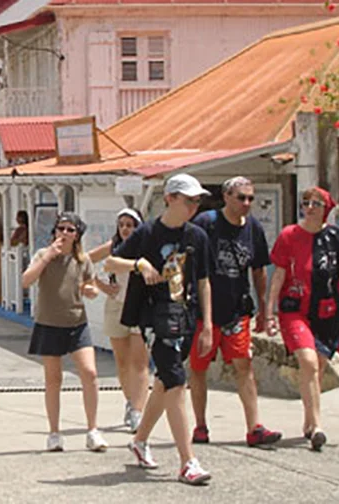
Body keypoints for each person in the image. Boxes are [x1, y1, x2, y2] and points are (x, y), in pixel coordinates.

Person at [105, 174, 215, 486]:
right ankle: (187, 461)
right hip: (154, 316)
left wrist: (207, 323)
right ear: (170, 198)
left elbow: (204, 281)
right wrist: (139, 264)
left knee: (166, 382)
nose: (194, 206)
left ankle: (139, 441)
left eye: (197, 201)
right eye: (188, 200)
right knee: (177, 383)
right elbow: (112, 262)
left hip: (185, 314)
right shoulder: (148, 233)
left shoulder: (198, 237)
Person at [264, 187, 339, 451]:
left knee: (318, 368)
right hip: (295, 309)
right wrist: (269, 312)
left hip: (327, 312)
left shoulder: (335, 237)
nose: (310, 207)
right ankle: (317, 427)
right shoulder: (289, 235)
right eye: (306, 203)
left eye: (316, 203)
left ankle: (307, 421)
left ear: (326, 208)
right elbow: (278, 276)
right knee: (308, 362)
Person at [187, 177, 282, 447]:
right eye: (241, 198)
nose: (246, 203)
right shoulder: (206, 223)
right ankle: (200, 425)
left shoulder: (253, 228)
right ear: (226, 196)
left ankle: (254, 427)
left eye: (250, 198)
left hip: (237, 309)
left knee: (244, 365)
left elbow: (259, 269)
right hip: (203, 311)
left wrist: (264, 308)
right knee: (198, 367)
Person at [21, 212, 107, 453]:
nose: (65, 233)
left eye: (70, 230)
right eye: (61, 228)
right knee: (53, 379)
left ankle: (92, 430)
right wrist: (47, 256)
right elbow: (26, 281)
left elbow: (89, 284)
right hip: (49, 323)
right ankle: (54, 433)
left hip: (77, 323)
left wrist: (91, 291)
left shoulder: (82, 260)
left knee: (89, 373)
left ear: (77, 235)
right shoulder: (43, 255)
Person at [86, 208, 150, 433]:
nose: (125, 229)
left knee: (140, 363)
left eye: (130, 225)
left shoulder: (146, 248)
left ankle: (138, 411)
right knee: (122, 363)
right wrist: (101, 285)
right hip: (116, 306)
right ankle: (131, 401)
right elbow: (85, 261)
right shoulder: (113, 247)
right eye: (122, 224)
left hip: (141, 308)